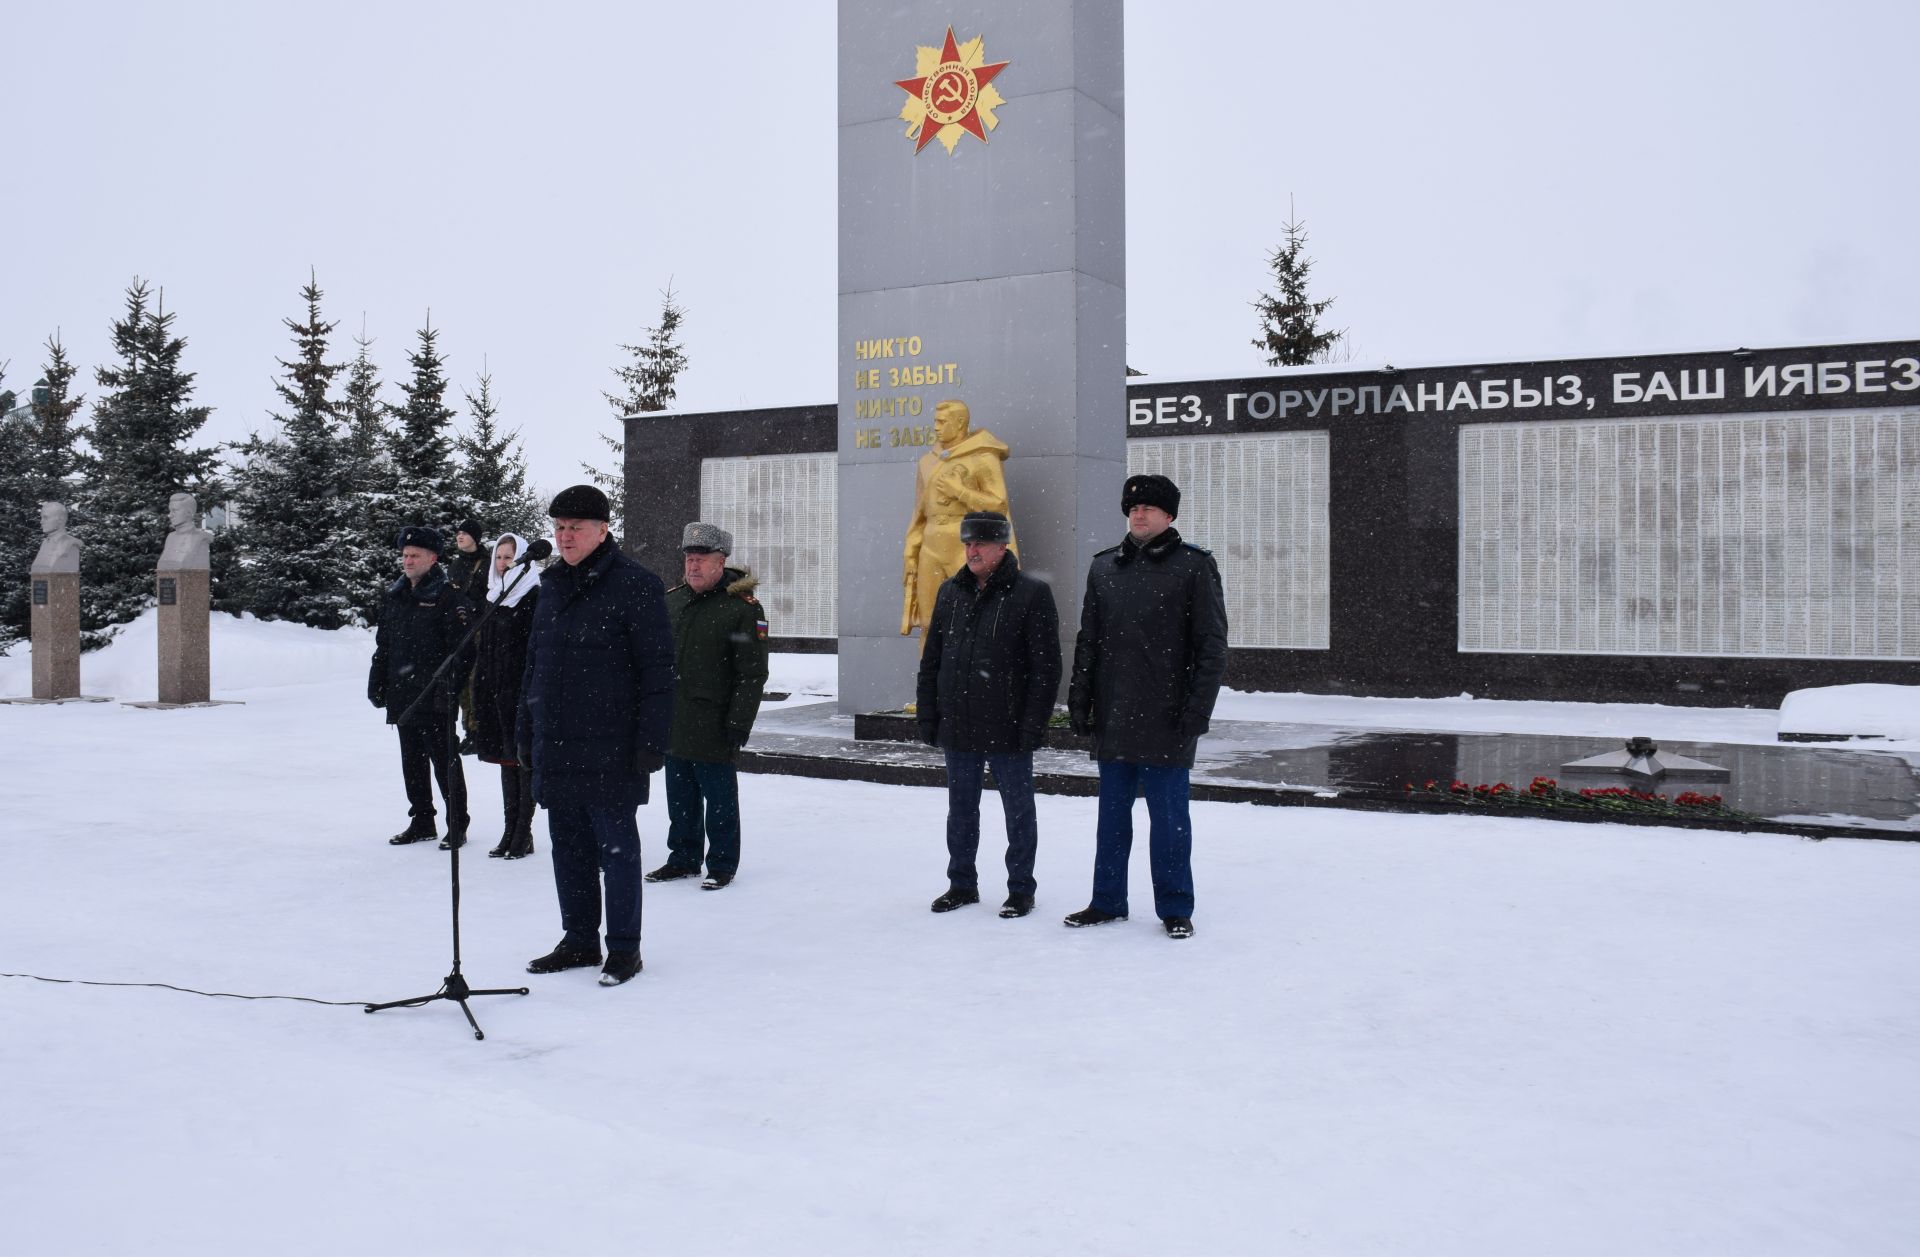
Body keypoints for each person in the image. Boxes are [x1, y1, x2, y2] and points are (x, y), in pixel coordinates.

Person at [517, 485, 674, 987]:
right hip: (558, 741)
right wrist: (526, 728)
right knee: (568, 848)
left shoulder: (636, 585)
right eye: (559, 528)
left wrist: (652, 738)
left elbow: (658, 670)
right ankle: (579, 939)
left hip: (612, 743)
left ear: (603, 530)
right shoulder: (551, 585)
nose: (564, 537)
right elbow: (534, 666)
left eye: (575, 528)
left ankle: (624, 949)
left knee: (617, 851)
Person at [1065, 474, 1228, 939]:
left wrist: (1198, 709)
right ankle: (1107, 900)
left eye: (1150, 508)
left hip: (1168, 716)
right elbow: (1089, 641)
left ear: (1169, 515)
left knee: (1170, 820)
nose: (1139, 513)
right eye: (1133, 507)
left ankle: (1175, 907)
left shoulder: (1194, 567)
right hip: (1115, 713)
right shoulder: (1103, 568)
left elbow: (1212, 645)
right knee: (1111, 818)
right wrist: (1080, 698)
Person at [915, 511, 1060, 918]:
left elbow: (1045, 669)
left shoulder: (1030, 594)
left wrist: (1033, 723)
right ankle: (961, 883)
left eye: (980, 543)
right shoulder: (950, 592)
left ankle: (1020, 889)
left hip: (1008, 726)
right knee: (961, 810)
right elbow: (933, 660)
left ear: (1002, 547)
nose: (972, 551)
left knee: (1018, 811)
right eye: (967, 544)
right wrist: (929, 713)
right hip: (959, 723)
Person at [646, 522, 770, 891]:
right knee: (679, 795)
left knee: (719, 800)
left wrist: (739, 722)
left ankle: (721, 863)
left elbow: (752, 674)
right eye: (689, 558)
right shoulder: (672, 601)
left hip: (716, 721)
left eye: (701, 559)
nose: (693, 566)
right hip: (675, 718)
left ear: (721, 562)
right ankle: (683, 858)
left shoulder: (742, 608)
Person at [368, 526, 473, 849]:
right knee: (411, 760)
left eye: (415, 555)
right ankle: (422, 819)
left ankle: (457, 823)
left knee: (444, 761)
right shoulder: (396, 595)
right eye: (405, 555)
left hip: (435, 696)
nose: (408, 560)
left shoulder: (447, 597)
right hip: (403, 693)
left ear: (433, 558)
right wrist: (378, 681)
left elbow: (463, 651)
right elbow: (384, 644)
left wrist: (448, 688)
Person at [900, 398, 1015, 644]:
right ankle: (930, 681)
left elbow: (998, 504)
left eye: (943, 422)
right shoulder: (928, 461)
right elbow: (919, 512)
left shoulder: (983, 456)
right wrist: (911, 551)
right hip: (931, 544)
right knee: (929, 623)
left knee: (975, 619)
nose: (937, 427)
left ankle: (971, 680)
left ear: (960, 422)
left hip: (966, 543)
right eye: (935, 422)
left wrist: (959, 491)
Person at [471, 532, 541, 860]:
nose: (502, 564)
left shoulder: (533, 594)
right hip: (495, 691)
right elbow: (483, 650)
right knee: (505, 762)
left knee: (523, 762)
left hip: (521, 692)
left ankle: (522, 831)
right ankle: (508, 828)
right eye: (499, 557)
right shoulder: (492, 597)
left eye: (509, 557)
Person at [446, 519, 487, 753]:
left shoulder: (486, 564)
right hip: (460, 630)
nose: (459, 536)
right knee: (460, 681)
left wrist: (473, 606)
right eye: (458, 532)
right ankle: (468, 730)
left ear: (475, 537)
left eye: (464, 533)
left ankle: (478, 731)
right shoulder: (455, 564)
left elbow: (494, 594)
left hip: (480, 629)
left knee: (476, 679)